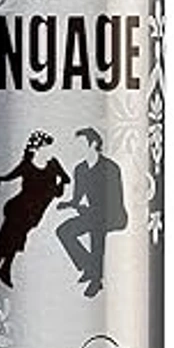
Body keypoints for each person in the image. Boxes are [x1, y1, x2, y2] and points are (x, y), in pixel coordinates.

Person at [0, 130, 69, 292]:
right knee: (5, 241)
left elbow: (65, 181)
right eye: (46, 147)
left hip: (32, 216)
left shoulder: (53, 165)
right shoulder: (27, 165)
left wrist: (60, 184)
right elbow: (9, 176)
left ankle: (4, 270)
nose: (50, 151)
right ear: (37, 149)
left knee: (15, 241)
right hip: (18, 210)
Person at [55, 127, 128, 298]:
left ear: (93, 144)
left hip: (113, 214)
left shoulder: (110, 168)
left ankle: (96, 280)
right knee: (63, 231)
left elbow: (115, 201)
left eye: (81, 144)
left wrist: (89, 211)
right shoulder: (80, 169)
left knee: (97, 228)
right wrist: (68, 204)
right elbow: (77, 198)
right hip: (92, 214)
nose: (77, 149)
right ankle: (89, 266)